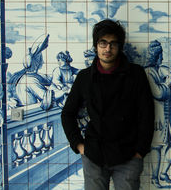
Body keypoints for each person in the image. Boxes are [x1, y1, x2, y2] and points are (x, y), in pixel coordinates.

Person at [61, 19, 154, 190]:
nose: (108, 49)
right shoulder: (85, 77)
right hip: (94, 154)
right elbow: (67, 113)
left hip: (128, 155)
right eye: (103, 43)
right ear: (96, 45)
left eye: (113, 44)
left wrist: (140, 151)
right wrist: (79, 145)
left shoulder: (135, 74)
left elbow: (147, 114)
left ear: (120, 46)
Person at [145, 40, 171, 187]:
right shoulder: (148, 73)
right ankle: (154, 178)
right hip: (156, 115)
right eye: (160, 56)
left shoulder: (161, 69)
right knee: (156, 146)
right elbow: (158, 93)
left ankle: (164, 173)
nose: (162, 59)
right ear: (156, 56)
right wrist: (167, 83)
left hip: (169, 115)